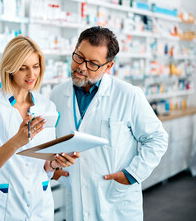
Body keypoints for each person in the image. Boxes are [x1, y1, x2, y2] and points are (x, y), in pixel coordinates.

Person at [50, 26, 168, 220]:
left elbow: (157, 138)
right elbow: (52, 141)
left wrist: (131, 175)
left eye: (93, 64)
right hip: (77, 199)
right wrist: (51, 167)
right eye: (79, 57)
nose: (81, 67)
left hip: (116, 203)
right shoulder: (57, 94)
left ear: (108, 67)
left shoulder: (128, 95)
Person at [0, 35, 79, 221]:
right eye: (23, 68)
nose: (31, 75)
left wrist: (56, 163)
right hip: (3, 207)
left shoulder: (47, 107)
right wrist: (17, 141)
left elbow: (45, 165)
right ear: (10, 68)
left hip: (40, 204)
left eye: (35, 66)